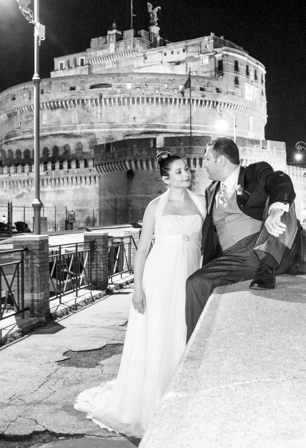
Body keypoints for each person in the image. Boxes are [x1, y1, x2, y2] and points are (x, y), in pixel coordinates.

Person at [75, 151, 206, 437]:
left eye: (186, 169)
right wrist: (137, 288)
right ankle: (153, 403)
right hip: (159, 278)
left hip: (189, 276)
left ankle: (181, 395)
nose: (186, 174)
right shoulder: (155, 207)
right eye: (180, 171)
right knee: (159, 334)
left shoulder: (200, 203)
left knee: (182, 332)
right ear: (165, 178)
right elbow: (143, 249)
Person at [186, 137, 306, 341]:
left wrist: (274, 211)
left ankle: (267, 267)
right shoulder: (211, 190)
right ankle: (195, 345)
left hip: (263, 246)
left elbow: (281, 181)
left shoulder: (253, 174)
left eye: (208, 159)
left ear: (221, 160)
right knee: (195, 283)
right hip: (232, 257)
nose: (204, 164)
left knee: (283, 202)